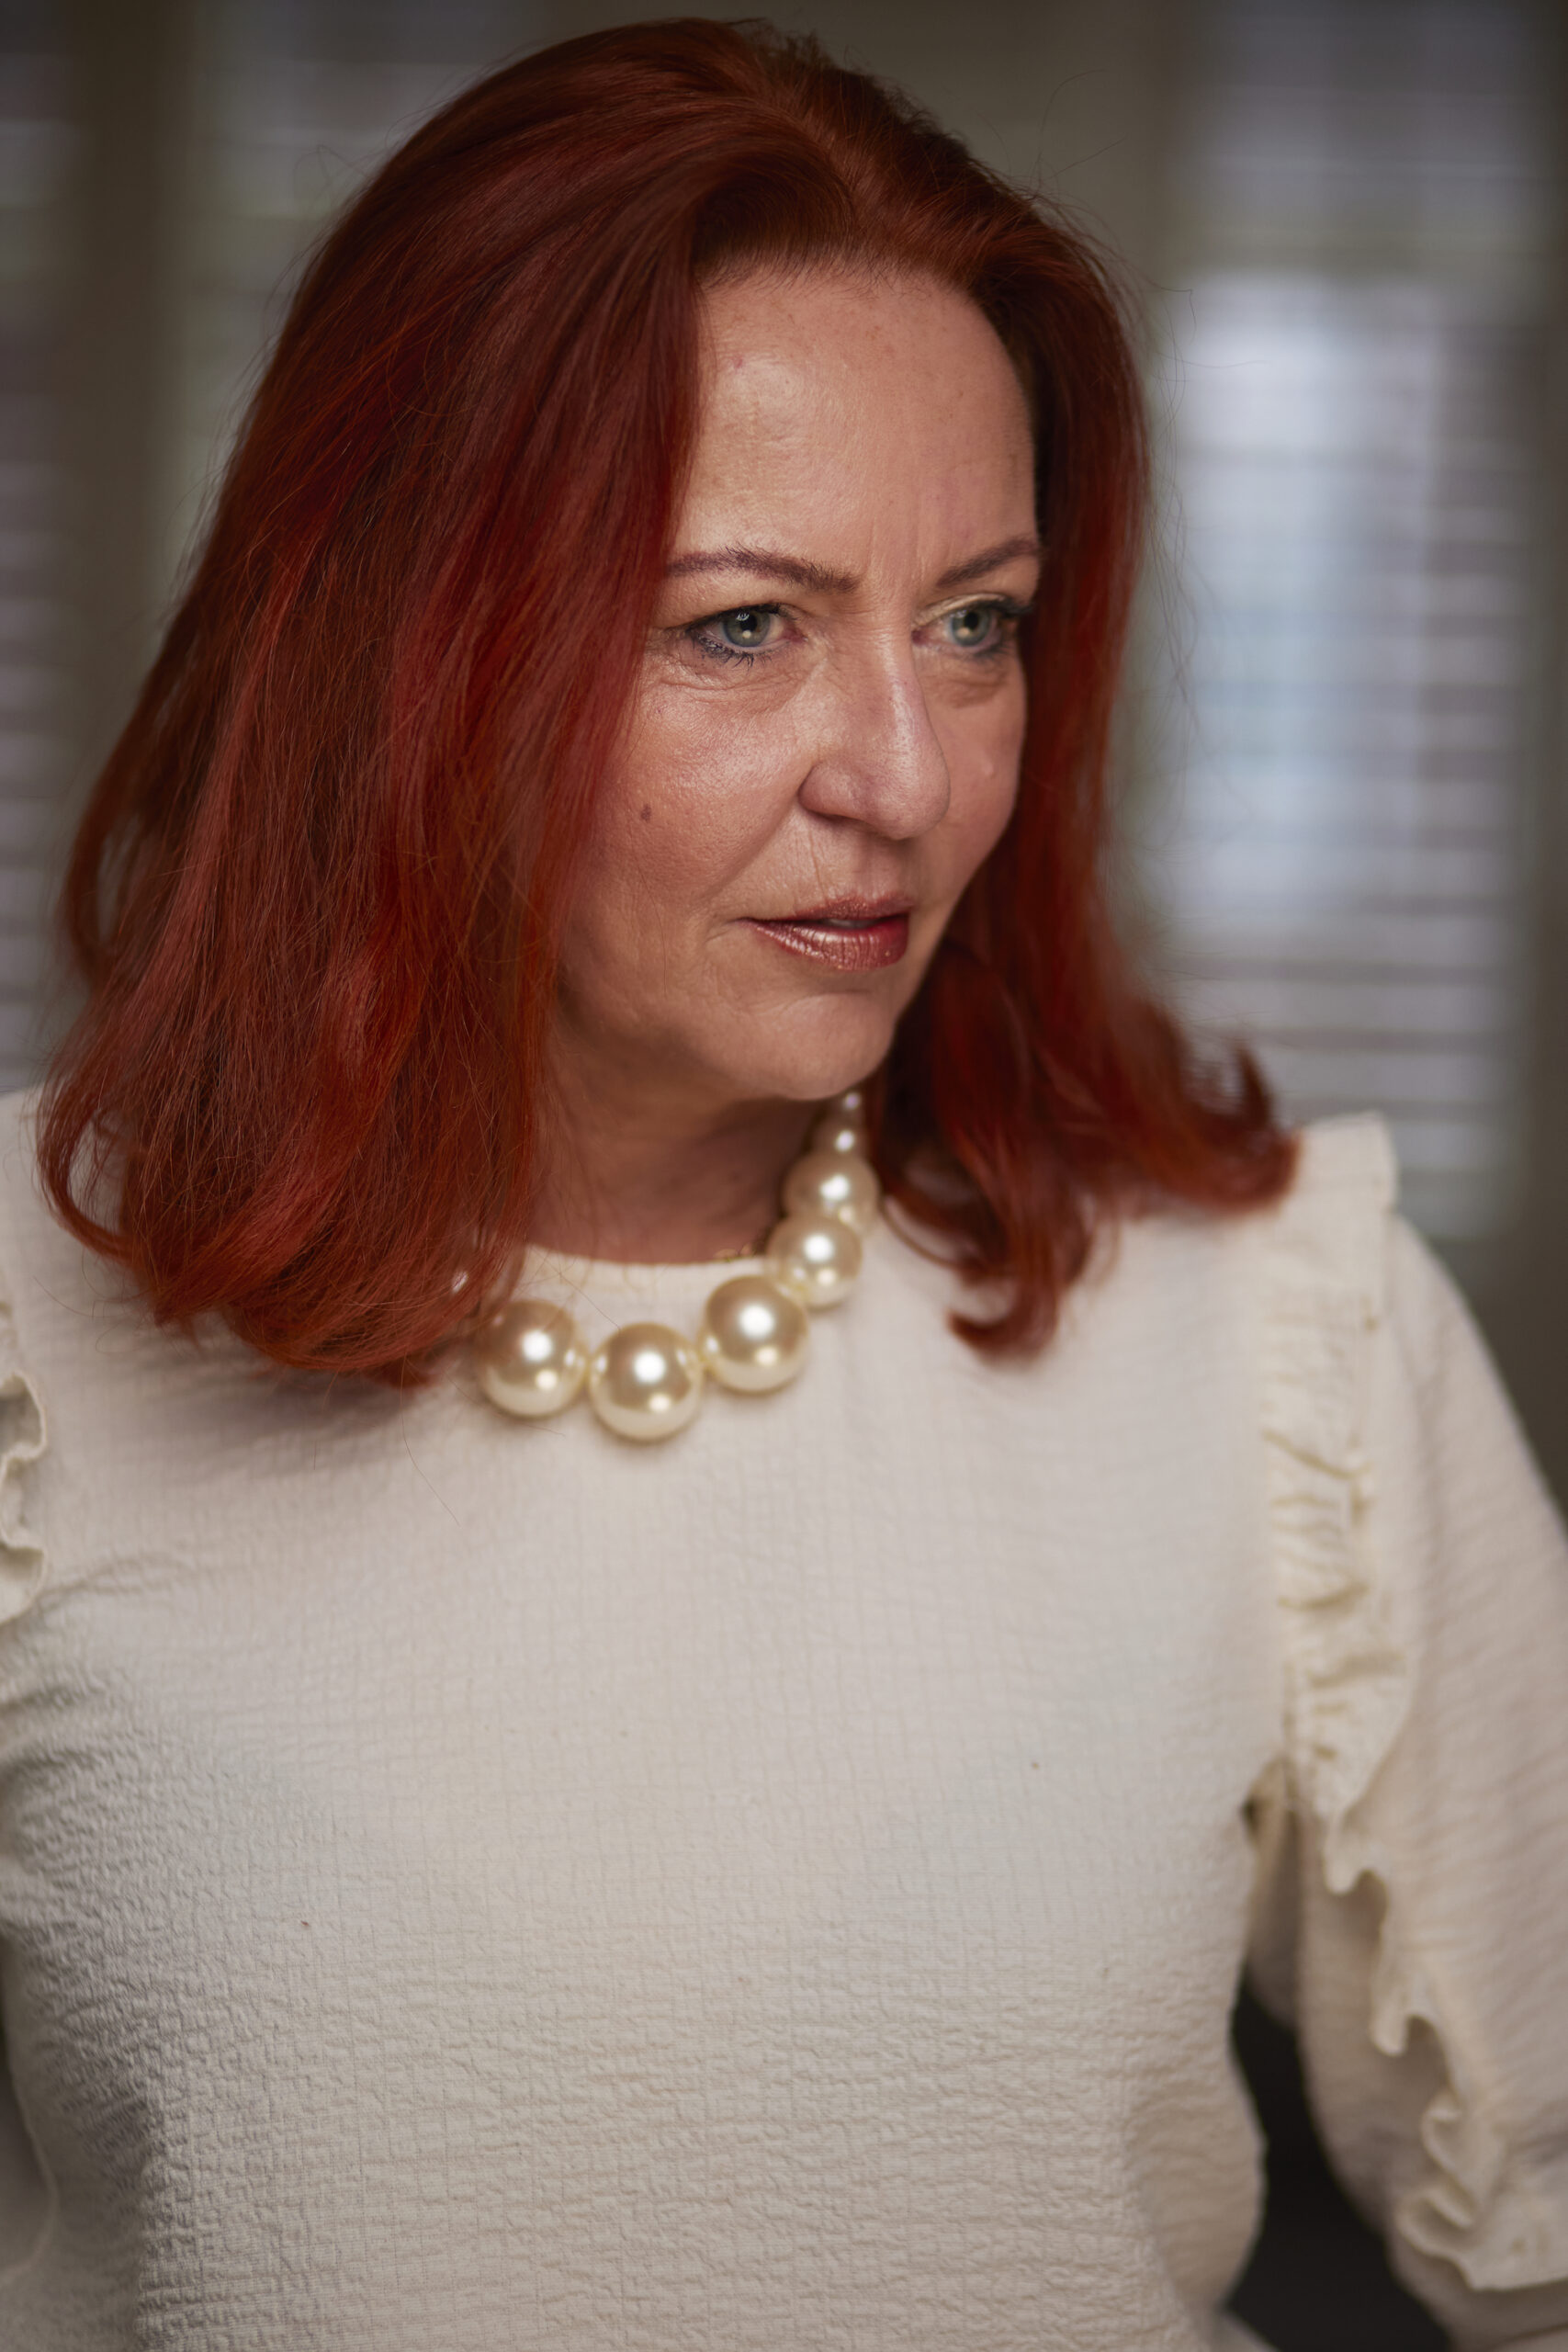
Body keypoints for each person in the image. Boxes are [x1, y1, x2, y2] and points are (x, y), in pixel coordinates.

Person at [0, 19, 1562, 2349]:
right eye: (742, 623)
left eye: (978, 620)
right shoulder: (34, 1323)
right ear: (404, 658)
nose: (910, 778)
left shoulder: (1271, 1321)